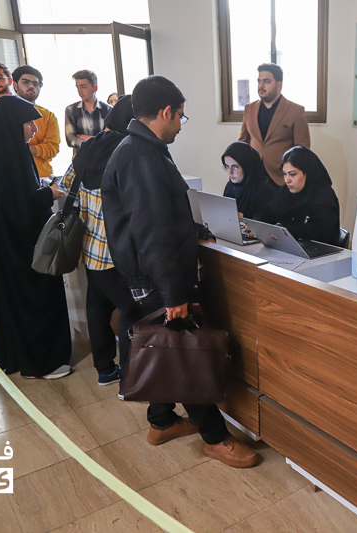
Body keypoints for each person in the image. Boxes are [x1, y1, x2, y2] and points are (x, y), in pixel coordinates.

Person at [101, 75, 258, 467]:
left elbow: (164, 214)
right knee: (185, 352)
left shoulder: (142, 148)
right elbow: (152, 230)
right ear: (166, 112)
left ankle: (162, 421)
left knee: (165, 345)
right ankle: (215, 438)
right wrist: (174, 294)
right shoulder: (140, 156)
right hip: (158, 276)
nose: (180, 126)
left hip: (152, 272)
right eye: (181, 117)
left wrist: (196, 230)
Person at [0, 95, 71, 378]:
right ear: (11, 124)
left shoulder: (3, 150)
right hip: (21, 242)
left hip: (13, 240)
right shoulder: (6, 157)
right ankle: (40, 363)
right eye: (29, 122)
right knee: (35, 297)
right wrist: (47, 194)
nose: (34, 128)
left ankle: (24, 358)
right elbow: (16, 204)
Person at [58, 95, 138, 391]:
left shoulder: (90, 145)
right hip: (116, 249)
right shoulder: (127, 150)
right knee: (132, 309)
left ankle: (105, 369)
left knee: (98, 306)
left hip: (89, 245)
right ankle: (130, 378)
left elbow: (66, 185)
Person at [239, 63, 310, 185]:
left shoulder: (295, 111)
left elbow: (302, 149)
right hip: (253, 177)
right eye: (259, 81)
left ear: (278, 85)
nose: (261, 86)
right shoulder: (249, 109)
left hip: (281, 179)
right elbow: (243, 142)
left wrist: (292, 177)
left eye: (266, 81)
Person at [255, 146, 340, 245]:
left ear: (308, 173)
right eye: (285, 174)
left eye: (292, 174)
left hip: (320, 251)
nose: (287, 180)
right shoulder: (286, 190)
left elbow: (319, 233)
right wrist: (257, 224)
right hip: (290, 247)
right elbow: (268, 212)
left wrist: (283, 230)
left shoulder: (325, 196)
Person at [12, 65, 60, 181]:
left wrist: (23, 149)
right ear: (15, 85)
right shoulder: (1, 109)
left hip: (40, 175)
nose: (31, 86)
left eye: (35, 84)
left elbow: (52, 148)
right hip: (11, 174)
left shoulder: (48, 116)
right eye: (25, 82)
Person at [221, 141, 277, 219]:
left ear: (247, 166)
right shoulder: (231, 186)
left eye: (234, 167)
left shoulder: (265, 189)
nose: (229, 172)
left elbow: (267, 220)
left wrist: (244, 218)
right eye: (227, 166)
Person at [65, 70, 112, 156]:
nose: (79, 91)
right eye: (77, 87)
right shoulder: (71, 110)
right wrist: (98, 140)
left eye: (83, 87)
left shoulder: (108, 110)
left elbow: (110, 140)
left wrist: (80, 137)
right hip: (80, 161)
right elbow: (70, 139)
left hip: (103, 160)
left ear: (95, 88)